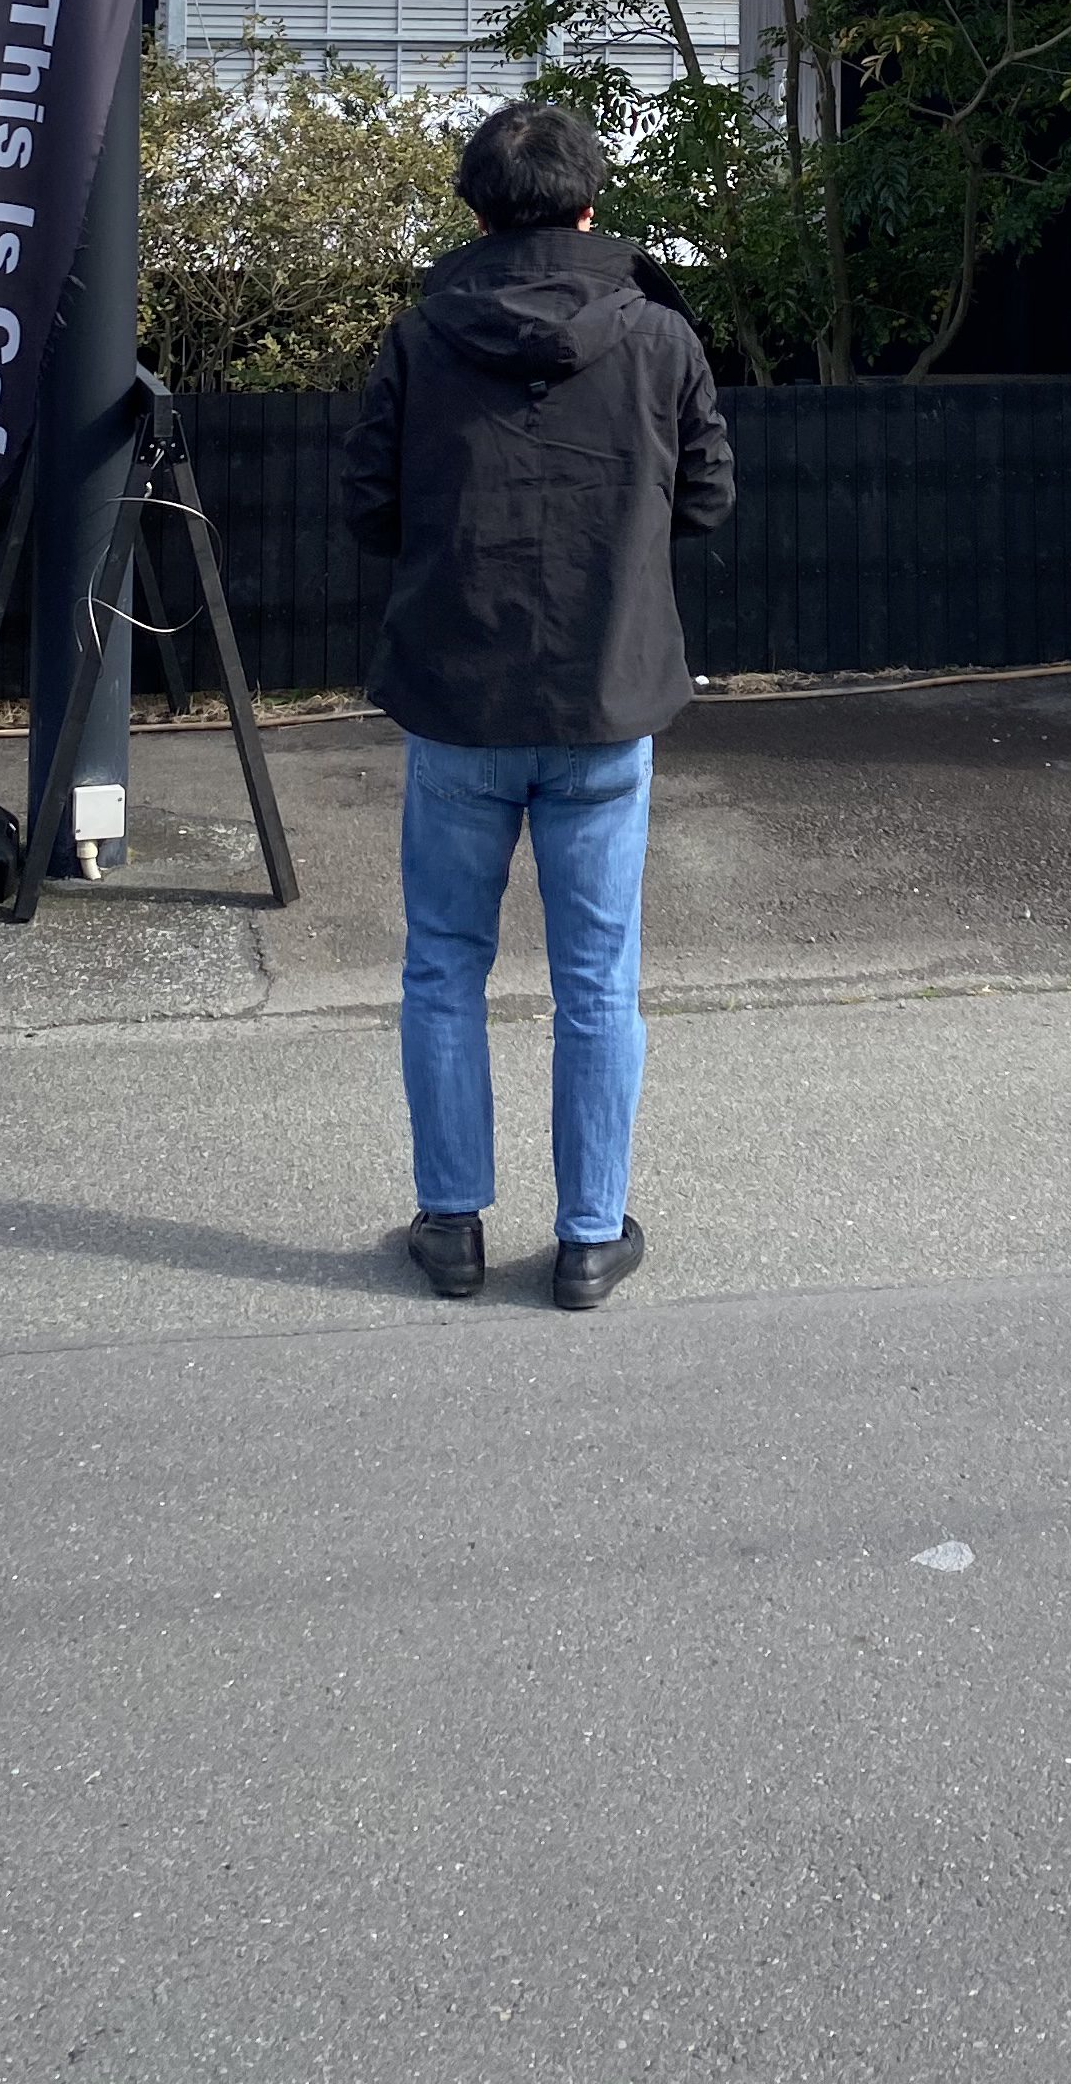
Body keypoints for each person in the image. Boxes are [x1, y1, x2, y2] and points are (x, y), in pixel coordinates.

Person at [342, 97, 734, 1311]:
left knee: (444, 968)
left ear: (474, 209)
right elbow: (709, 499)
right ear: (589, 203)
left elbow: (366, 508)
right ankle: (587, 1238)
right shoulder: (660, 338)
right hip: (605, 695)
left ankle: (452, 1227)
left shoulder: (419, 336)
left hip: (459, 694)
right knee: (598, 977)